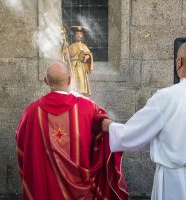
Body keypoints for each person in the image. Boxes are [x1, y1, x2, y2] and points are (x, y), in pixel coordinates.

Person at [102, 39, 186, 200]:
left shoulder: (166, 97)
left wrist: (110, 126)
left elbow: (133, 134)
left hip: (175, 183)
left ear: (179, 61)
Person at [15, 61, 128, 200]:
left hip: (43, 187)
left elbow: (22, 145)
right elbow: (104, 130)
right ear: (69, 80)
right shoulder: (89, 108)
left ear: (45, 81)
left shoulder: (30, 113)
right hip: (80, 186)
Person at [62, 26, 93, 96]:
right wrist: (64, 48)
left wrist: (86, 58)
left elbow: (89, 54)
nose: (78, 35)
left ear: (82, 36)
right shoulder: (71, 46)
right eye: (77, 34)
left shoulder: (84, 46)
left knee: (81, 83)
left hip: (81, 67)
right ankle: (73, 93)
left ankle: (81, 94)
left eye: (80, 34)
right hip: (72, 67)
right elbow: (66, 58)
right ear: (74, 36)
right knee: (73, 83)